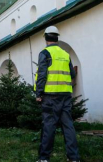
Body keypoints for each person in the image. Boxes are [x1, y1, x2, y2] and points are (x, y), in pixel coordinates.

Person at [34, 26, 80, 162]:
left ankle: (43, 158)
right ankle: (74, 158)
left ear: (46, 38)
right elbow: (72, 74)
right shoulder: (65, 54)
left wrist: (38, 93)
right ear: (57, 37)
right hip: (66, 95)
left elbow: (42, 75)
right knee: (68, 126)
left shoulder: (45, 53)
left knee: (49, 126)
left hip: (50, 96)